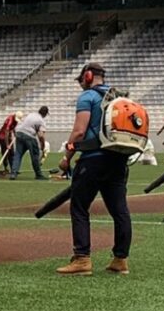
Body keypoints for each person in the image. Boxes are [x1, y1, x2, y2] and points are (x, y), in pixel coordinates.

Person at [56, 62, 131, 275]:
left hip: (92, 159)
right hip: (117, 159)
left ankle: (82, 258)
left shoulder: (87, 97)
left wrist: (67, 156)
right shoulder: (117, 98)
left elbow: (79, 132)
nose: (80, 85)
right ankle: (120, 259)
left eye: (81, 80)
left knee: (79, 207)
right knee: (120, 211)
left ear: (87, 77)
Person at [10, 106, 48, 181]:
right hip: (29, 136)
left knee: (18, 154)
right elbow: (41, 136)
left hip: (19, 133)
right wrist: (42, 146)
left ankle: (13, 173)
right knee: (35, 156)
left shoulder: (31, 114)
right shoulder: (41, 121)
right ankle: (38, 174)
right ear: (45, 114)